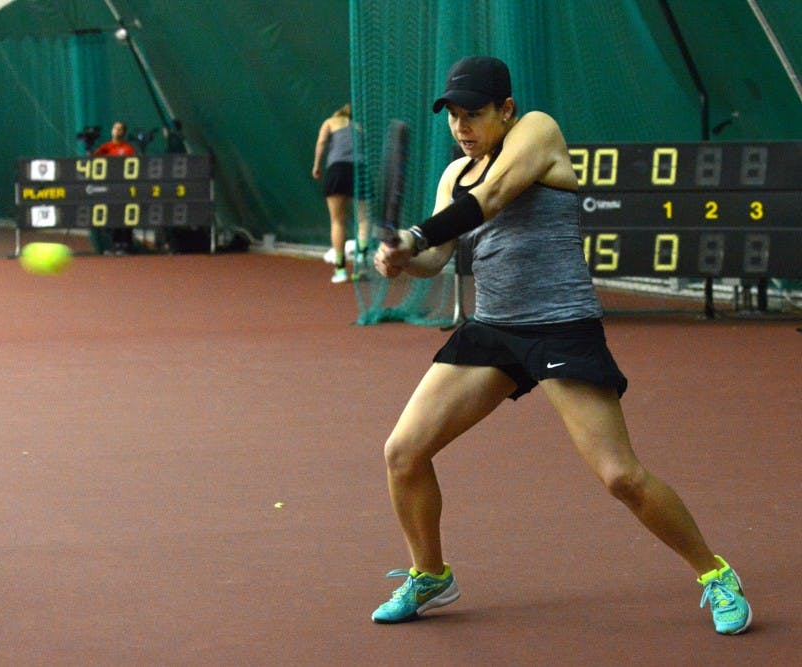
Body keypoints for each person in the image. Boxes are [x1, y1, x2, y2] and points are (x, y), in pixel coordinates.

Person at [370, 56, 752, 635]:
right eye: (452, 116)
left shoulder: (538, 131)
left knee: (620, 476)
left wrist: (419, 232)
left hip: (560, 326)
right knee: (403, 453)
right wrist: (403, 257)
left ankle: (715, 573)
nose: (461, 127)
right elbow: (436, 259)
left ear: (506, 109)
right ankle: (430, 574)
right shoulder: (454, 175)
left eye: (473, 114)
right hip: (493, 330)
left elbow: (495, 196)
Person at [312, 104, 370, 283]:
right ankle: (361, 263)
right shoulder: (359, 128)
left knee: (338, 221)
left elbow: (321, 142)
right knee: (364, 219)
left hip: (338, 170)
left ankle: (340, 270)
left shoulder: (330, 122)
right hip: (361, 170)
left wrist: (316, 166)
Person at [92, 121, 138, 254]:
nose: (117, 131)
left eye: (120, 129)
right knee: (112, 216)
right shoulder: (105, 148)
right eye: (115, 128)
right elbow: (93, 162)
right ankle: (115, 244)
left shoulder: (128, 149)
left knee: (126, 215)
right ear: (112, 131)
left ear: (123, 132)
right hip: (109, 188)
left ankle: (126, 245)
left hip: (125, 188)